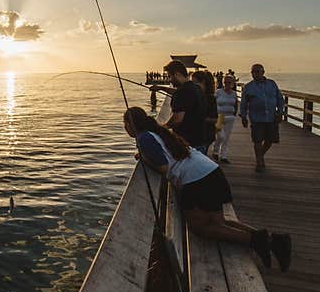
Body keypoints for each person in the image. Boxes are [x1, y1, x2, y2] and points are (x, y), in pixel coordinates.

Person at [123, 107, 291, 271]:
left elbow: (164, 168)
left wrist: (143, 158)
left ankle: (256, 241)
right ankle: (274, 241)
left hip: (196, 181)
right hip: (210, 172)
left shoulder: (144, 138)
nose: (125, 128)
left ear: (130, 125)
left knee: (201, 228)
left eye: (125, 124)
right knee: (218, 223)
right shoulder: (157, 131)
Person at [240, 64, 283, 173]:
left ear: (263, 72)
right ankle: (259, 162)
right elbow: (243, 103)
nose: (255, 74)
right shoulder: (248, 87)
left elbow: (279, 98)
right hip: (256, 118)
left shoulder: (272, 84)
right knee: (257, 140)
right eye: (253, 72)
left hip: (271, 117)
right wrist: (243, 116)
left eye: (258, 71)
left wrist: (280, 112)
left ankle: (260, 156)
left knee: (270, 140)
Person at [163, 59, 207, 152]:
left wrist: (163, 127)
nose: (170, 80)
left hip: (187, 144)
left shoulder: (182, 92)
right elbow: (181, 95)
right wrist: (160, 88)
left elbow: (177, 119)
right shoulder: (196, 88)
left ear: (177, 74)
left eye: (170, 76)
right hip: (200, 140)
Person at [191, 70, 218, 156]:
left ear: (202, 82)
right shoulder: (196, 95)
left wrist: (199, 118)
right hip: (198, 135)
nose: (192, 86)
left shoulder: (210, 98)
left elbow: (215, 119)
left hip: (205, 135)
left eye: (194, 83)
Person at [213, 73, 238, 163]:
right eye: (225, 82)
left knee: (226, 137)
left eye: (229, 82)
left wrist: (234, 114)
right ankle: (215, 150)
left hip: (230, 117)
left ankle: (223, 156)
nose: (227, 84)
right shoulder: (218, 92)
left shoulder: (234, 93)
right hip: (220, 116)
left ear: (233, 83)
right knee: (220, 136)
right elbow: (213, 103)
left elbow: (236, 105)